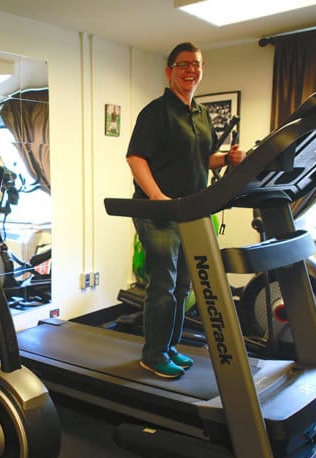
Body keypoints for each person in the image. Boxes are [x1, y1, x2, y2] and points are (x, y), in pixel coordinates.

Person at [125, 42, 245, 379]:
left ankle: (170, 347)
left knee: (182, 288)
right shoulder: (155, 112)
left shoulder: (202, 114)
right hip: (159, 213)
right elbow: (136, 159)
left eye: (197, 64)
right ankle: (153, 354)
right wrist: (158, 197)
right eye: (183, 65)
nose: (191, 70)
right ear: (169, 71)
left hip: (193, 212)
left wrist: (229, 159)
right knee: (163, 285)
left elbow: (202, 160)